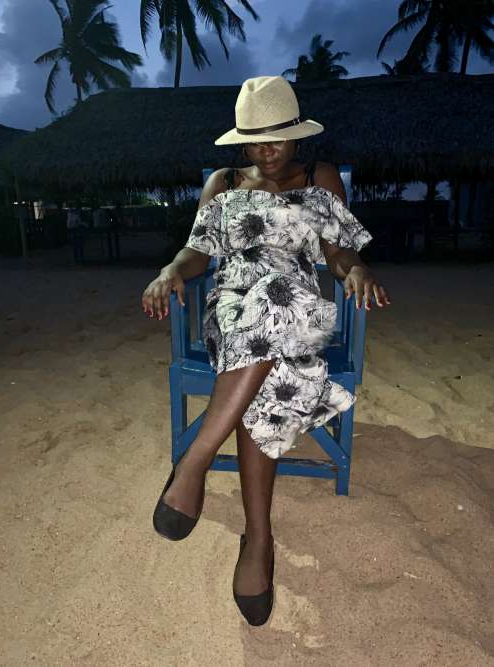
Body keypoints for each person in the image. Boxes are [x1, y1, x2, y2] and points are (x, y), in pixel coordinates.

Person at [141, 75, 391, 626]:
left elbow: (337, 252)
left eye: (276, 138)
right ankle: (258, 540)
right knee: (264, 338)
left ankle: (196, 463)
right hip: (231, 311)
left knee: (280, 320)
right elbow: (197, 253)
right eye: (255, 140)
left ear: (296, 135)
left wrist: (358, 269)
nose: (266, 150)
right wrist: (168, 271)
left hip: (298, 310)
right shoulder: (223, 183)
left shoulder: (319, 177)